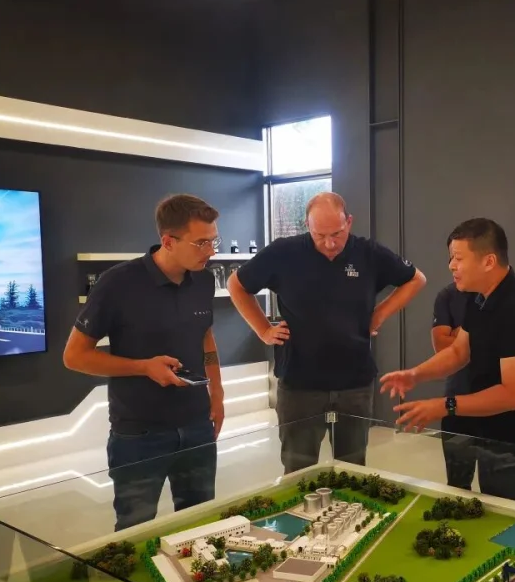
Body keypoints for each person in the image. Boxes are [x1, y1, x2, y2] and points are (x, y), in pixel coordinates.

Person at [227, 192, 426, 473]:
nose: (330, 243)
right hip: (299, 383)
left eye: (337, 234)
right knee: (298, 467)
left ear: (349, 222)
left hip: (354, 382)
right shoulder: (283, 252)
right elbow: (237, 285)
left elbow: (416, 279)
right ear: (306, 225)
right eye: (320, 235)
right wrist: (263, 330)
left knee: (353, 468)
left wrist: (379, 314)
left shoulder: (369, 253)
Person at [63, 194, 223, 531]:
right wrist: (143, 367)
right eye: (201, 243)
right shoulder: (118, 283)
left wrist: (218, 395)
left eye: (213, 240)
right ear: (168, 241)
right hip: (139, 432)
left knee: (199, 525)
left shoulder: (204, 279)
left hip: (197, 424)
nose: (210, 251)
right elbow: (74, 356)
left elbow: (205, 336)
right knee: (135, 530)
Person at [380, 218, 515, 506]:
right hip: (489, 434)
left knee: (508, 521)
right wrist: (415, 375)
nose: (451, 266)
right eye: (451, 258)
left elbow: (513, 395)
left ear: (489, 261)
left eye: (458, 258)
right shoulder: (479, 299)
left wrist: (444, 405)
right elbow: (459, 352)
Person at [432, 282, 478, 490]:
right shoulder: (447, 295)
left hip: (497, 403)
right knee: (458, 484)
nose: (453, 267)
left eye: (459, 262)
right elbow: (442, 347)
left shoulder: (506, 298)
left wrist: (458, 335)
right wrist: (472, 334)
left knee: (499, 490)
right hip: (457, 400)